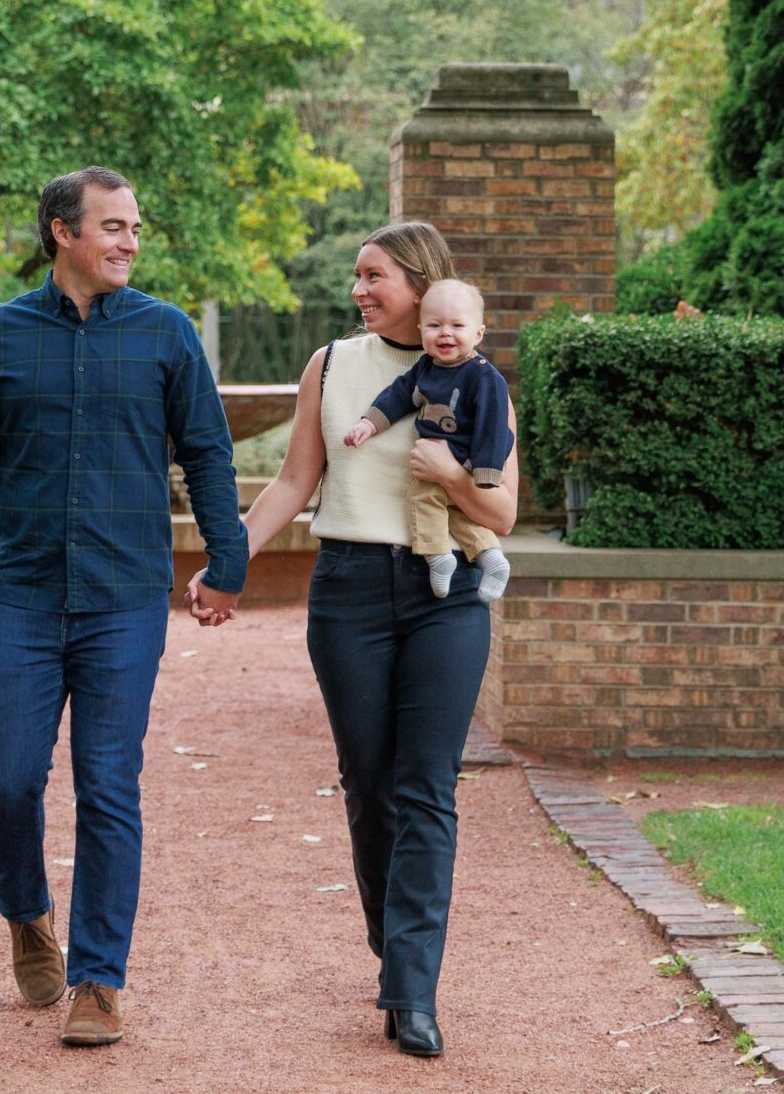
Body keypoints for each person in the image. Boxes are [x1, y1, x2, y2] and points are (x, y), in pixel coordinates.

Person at [0, 167, 246, 1050]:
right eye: (114, 226)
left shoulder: (167, 334)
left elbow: (208, 453)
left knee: (108, 785)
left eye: (136, 226)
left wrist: (229, 557)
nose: (130, 241)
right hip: (22, 594)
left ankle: (99, 980)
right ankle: (27, 914)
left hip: (125, 599)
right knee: (7, 781)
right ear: (64, 232)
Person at [186, 221, 516, 1059]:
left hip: (449, 595)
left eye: (375, 276)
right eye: (356, 277)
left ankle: (412, 988)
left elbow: (503, 511)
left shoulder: (479, 379)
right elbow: (297, 479)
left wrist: (447, 475)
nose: (360, 290)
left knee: (427, 784)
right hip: (350, 594)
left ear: (420, 279)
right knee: (369, 782)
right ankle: (394, 940)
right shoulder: (331, 365)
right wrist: (229, 563)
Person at [342, 278, 514, 600]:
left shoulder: (485, 376)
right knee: (460, 514)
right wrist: (369, 423)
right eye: (434, 325)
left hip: (469, 460)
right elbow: (398, 396)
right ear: (421, 329)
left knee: (422, 497)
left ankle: (437, 557)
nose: (445, 333)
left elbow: (493, 425)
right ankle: (492, 558)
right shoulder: (426, 369)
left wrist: (485, 473)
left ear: (478, 333)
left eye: (457, 325)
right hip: (447, 463)